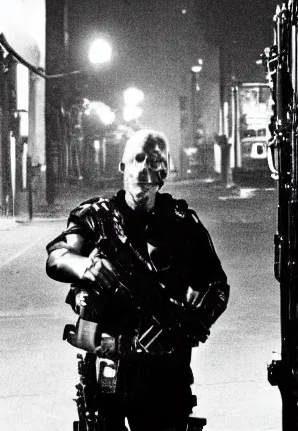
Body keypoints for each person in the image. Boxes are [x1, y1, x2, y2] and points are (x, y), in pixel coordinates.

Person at [46, 129, 229, 430]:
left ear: (165, 171)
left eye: (154, 161)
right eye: (137, 159)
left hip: (166, 370)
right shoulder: (96, 218)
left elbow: (217, 284)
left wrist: (198, 319)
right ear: (123, 167)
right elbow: (57, 257)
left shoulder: (184, 224)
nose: (144, 168)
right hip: (109, 365)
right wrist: (85, 267)